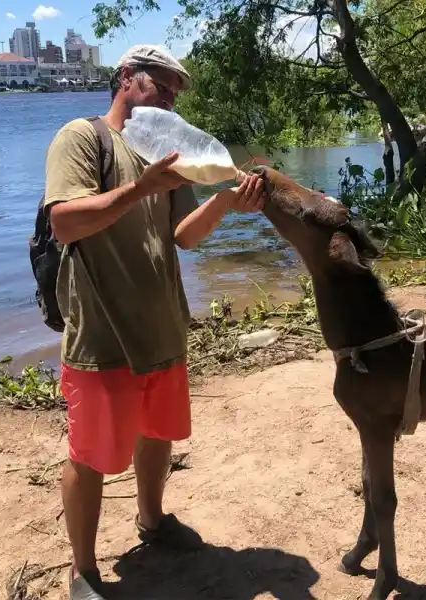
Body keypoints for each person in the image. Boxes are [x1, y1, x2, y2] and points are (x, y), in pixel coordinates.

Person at [43, 45, 265, 600]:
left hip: (163, 324)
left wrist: (225, 201)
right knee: (91, 453)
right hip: (102, 330)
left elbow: (183, 236)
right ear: (125, 79)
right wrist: (141, 188)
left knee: (159, 434)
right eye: (158, 84)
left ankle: (152, 521)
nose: (167, 97)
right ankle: (84, 568)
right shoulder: (82, 137)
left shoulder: (165, 150)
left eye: (173, 91)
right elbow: (65, 223)